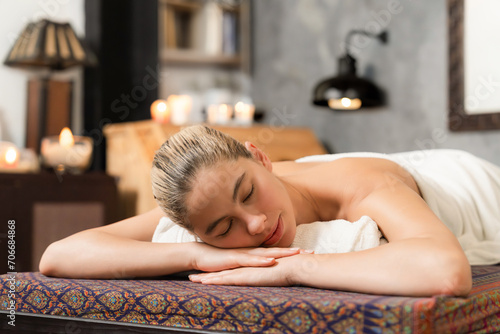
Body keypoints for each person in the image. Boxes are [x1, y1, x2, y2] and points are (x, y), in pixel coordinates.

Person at [41, 125, 500, 297]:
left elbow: (445, 273)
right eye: (223, 228)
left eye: (249, 192)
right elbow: (60, 255)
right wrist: (197, 257)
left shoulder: (362, 185)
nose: (257, 225)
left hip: (476, 183)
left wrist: (293, 269)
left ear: (260, 158)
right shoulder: (202, 210)